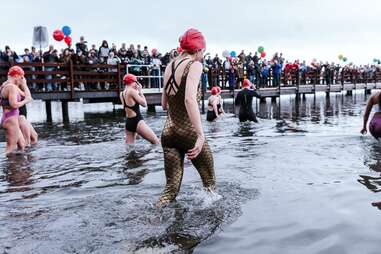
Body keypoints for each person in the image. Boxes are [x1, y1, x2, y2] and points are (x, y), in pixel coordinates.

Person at [157, 28, 216, 207]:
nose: (202, 55)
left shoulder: (170, 66)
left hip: (168, 133)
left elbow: (164, 104)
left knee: (170, 190)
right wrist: (200, 135)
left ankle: (154, 215)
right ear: (198, 49)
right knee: (210, 185)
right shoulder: (194, 65)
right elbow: (189, 99)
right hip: (188, 132)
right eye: (203, 51)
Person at [119, 73, 159, 145]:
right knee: (156, 142)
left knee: (129, 147)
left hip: (128, 122)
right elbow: (144, 104)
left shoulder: (122, 93)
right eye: (136, 82)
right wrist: (140, 92)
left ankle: (131, 156)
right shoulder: (132, 91)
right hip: (137, 121)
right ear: (133, 82)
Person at [1, 66, 32, 155]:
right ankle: (7, 166)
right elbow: (14, 104)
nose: (22, 79)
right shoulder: (12, 87)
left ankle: (18, 166)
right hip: (10, 119)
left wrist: (24, 85)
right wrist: (26, 101)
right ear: (16, 75)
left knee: (22, 145)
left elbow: (26, 95)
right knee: (11, 148)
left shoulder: (5, 85)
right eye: (21, 77)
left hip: (9, 118)